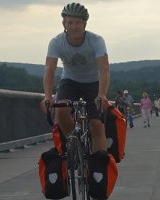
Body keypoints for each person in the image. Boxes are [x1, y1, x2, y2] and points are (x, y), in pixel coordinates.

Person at [41, 2, 110, 153]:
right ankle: (74, 143)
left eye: (77, 22)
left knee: (97, 126)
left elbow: (104, 69)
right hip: (69, 81)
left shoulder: (96, 40)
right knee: (61, 111)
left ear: (84, 23)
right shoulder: (56, 42)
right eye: (70, 22)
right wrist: (47, 96)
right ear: (64, 23)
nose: (74, 26)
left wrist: (102, 94)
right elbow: (49, 69)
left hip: (92, 82)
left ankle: (99, 165)